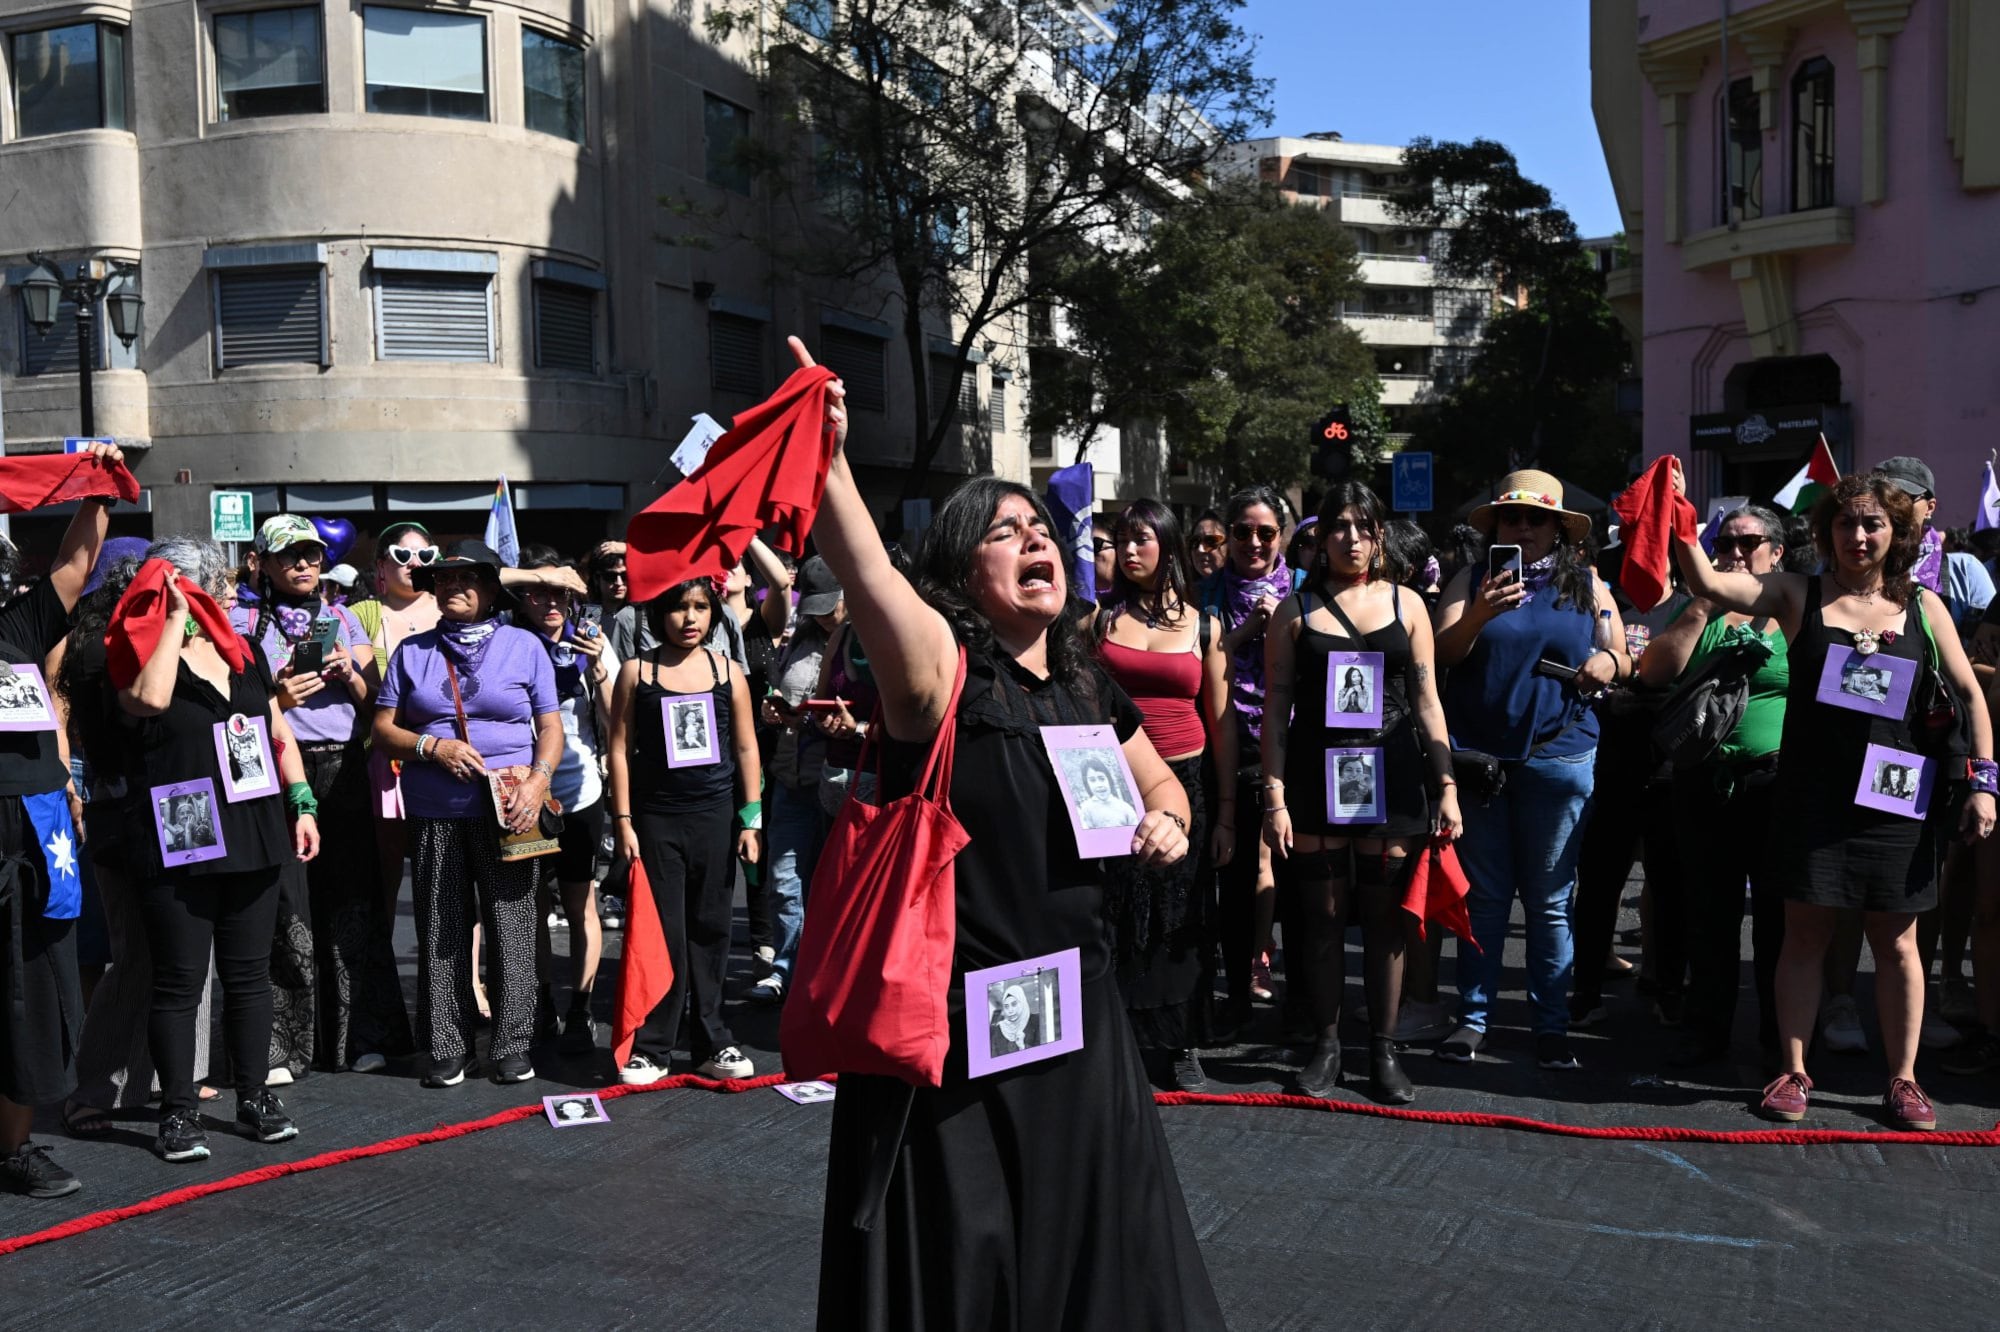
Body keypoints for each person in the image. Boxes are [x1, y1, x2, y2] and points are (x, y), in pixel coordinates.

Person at [794, 335, 1222, 1328]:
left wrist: (1165, 820)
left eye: (1039, 526)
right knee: (971, 1260)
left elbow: (1165, 784)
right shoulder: (938, 673)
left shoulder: (1082, 681)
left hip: (1080, 1016)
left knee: (1090, 1253)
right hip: (959, 1033)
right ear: (960, 567)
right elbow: (864, 574)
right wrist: (827, 466)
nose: (1035, 540)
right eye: (1003, 532)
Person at [1664, 466, 1995, 1131]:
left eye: (1873, 523)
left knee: (1899, 943)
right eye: (1846, 522)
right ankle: (1793, 1069)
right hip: (1812, 799)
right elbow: (1706, 581)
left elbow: (1970, 693)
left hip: (1896, 797)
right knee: (1804, 935)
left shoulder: (1924, 607)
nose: (1859, 535)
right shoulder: (1797, 592)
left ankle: (1902, 1080)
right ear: (1826, 531)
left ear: (1898, 532)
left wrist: (1985, 783)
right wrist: (1672, 517)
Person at [114, 536, 322, 1163]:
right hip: (184, 821)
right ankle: (178, 1112)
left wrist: (303, 800)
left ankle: (254, 1096)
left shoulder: (243, 649)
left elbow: (274, 728)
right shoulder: (137, 648)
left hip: (254, 821)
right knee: (180, 979)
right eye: (221, 586)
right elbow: (148, 701)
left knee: (249, 973)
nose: (232, 596)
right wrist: (174, 621)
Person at [1263, 481, 1461, 1104]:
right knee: (1321, 920)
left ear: (1380, 536)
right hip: (1315, 779)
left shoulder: (1410, 606)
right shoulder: (1295, 611)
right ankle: (1326, 1044)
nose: (1351, 537)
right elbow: (1275, 712)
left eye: (1363, 526)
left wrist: (1447, 785)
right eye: (1338, 526)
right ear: (1320, 539)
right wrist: (1274, 798)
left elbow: (1428, 702)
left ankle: (1383, 1047)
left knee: (1385, 924)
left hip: (1395, 779)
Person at [1435, 470, 1629, 1071]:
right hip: (1483, 760)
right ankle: (1473, 1020)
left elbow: (1623, 656)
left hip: (1560, 755)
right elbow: (1440, 653)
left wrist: (1606, 659)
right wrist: (1478, 614)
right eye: (1511, 518)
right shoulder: (1471, 579)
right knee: (1487, 899)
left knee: (1549, 902)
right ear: (1495, 526)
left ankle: (1550, 1026)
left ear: (1558, 530)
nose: (1523, 527)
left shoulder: (1590, 585)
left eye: (1536, 518)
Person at [372, 540, 564, 1089]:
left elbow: (549, 727)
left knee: (514, 928)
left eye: (468, 578)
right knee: (441, 929)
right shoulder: (413, 653)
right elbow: (383, 730)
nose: (454, 587)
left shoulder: (524, 646)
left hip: (513, 810)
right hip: (436, 811)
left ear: (489, 589)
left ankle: (512, 1044)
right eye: (446, 579)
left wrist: (536, 781)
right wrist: (433, 748)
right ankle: (449, 1046)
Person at [235, 514, 409, 1079]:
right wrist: (276, 697)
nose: (305, 564)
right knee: (287, 908)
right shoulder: (239, 621)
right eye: (290, 556)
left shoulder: (340, 617)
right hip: (281, 771)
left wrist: (351, 676)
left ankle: (362, 1036)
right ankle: (284, 1046)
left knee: (353, 902)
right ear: (261, 562)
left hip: (345, 768)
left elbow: (377, 703)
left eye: (311, 554)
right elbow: (232, 707)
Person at [58, 549, 219, 1143]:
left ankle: (178, 1072)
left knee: (191, 948)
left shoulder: (194, 639)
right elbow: (142, 711)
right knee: (135, 955)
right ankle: (95, 1084)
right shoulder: (107, 643)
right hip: (129, 808)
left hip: (187, 803)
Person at [0, 443, 121, 1195]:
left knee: (33, 995)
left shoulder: (16, 630)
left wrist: (97, 486)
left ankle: (13, 1148)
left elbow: (76, 567)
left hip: (34, 833)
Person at [1090, 498, 1236, 1091]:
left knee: (1183, 917)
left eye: (1141, 539)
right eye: (1121, 539)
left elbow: (1223, 725)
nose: (1127, 550)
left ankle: (1180, 1042)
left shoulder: (1206, 626)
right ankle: (1119, 1037)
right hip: (1113, 788)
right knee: (1120, 913)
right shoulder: (1095, 622)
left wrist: (1226, 815)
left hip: (1191, 786)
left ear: (1168, 546)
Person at [1638, 503, 1790, 1066]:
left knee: (1779, 918)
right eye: (1724, 542)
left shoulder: (1791, 609)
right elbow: (1655, 671)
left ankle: (1783, 1037)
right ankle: (1708, 1028)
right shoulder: (1699, 610)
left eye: (1749, 543)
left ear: (1777, 553)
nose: (1734, 552)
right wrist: (1704, 603)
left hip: (1776, 784)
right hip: (1704, 782)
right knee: (1710, 913)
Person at [605, 576, 761, 1084]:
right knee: (663, 932)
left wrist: (751, 818)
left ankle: (713, 1040)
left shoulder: (729, 671)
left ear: (714, 612)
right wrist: (623, 821)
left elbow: (745, 749)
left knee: (712, 929)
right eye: (678, 608)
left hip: (715, 817)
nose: (690, 618)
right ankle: (653, 1045)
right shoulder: (636, 671)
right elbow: (619, 752)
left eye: (700, 607)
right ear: (658, 614)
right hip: (655, 820)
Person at [1197, 486, 1296, 1029]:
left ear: (1281, 536)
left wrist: (1283, 621)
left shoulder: (1303, 590)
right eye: (1241, 532)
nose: (1252, 542)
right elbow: (1197, 656)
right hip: (1226, 737)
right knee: (1233, 873)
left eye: (1265, 533)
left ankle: (1299, 996)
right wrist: (1246, 631)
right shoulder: (1204, 593)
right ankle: (1235, 989)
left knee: (1291, 869)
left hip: (1292, 740)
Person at [513, 546, 617, 1056]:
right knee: (530, 906)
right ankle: (539, 1003)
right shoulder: (508, 643)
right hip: (525, 794)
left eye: (561, 592)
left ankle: (581, 1005)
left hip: (581, 794)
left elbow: (620, 719)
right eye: (538, 591)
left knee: (581, 905)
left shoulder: (590, 641)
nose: (550, 601)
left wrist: (599, 670)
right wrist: (541, 573)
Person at [748, 556, 844, 1007]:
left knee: (832, 884)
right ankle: (786, 967)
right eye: (818, 607)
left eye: (833, 606)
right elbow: (779, 695)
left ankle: (826, 971)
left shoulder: (866, 641)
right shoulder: (797, 637)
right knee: (785, 880)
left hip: (839, 782)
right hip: (790, 776)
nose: (826, 616)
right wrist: (773, 712)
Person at [349, 521, 443, 929]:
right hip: (384, 762)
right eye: (403, 555)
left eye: (426, 555)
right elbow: (369, 700)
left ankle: (463, 983)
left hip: (446, 760)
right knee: (383, 879)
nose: (415, 563)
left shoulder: (454, 607)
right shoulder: (362, 615)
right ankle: (382, 984)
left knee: (446, 883)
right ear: (382, 566)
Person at [988, 984, 1041, 1056]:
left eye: (1014, 1004)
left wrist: (1023, 1046)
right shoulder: (1000, 1028)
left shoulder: (1036, 1021)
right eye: (1006, 1006)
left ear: (1022, 1003)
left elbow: (1043, 1053)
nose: (1010, 1010)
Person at [1190, 512, 1227, 581]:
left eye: (1210, 541)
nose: (1200, 550)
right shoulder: (1180, 590)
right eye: (1195, 541)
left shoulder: (1248, 589)